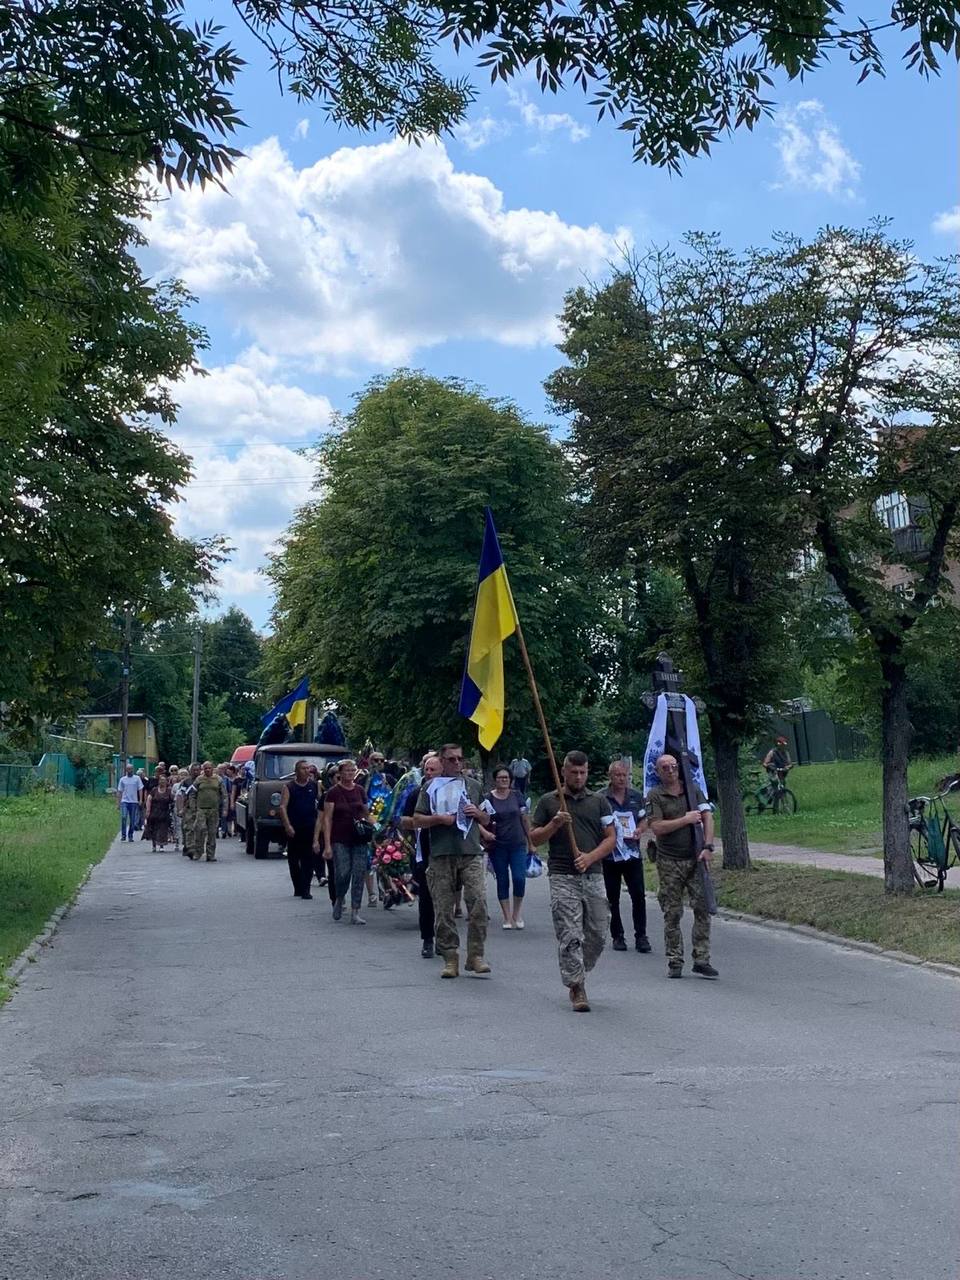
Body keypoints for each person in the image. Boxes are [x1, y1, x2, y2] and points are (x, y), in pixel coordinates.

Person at [530, 751, 617, 1013]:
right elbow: (535, 838)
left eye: (583, 772)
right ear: (564, 772)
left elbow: (611, 838)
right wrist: (555, 824)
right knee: (570, 933)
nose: (578, 777)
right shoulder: (549, 801)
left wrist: (590, 858)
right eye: (573, 772)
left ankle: (579, 967)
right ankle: (577, 986)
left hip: (593, 874)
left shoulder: (599, 801)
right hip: (562, 875)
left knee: (599, 932)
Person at [412, 743, 492, 979]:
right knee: (444, 908)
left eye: (460, 759)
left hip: (470, 852)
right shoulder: (430, 787)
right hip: (441, 852)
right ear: (442, 761)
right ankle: (450, 956)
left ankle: (476, 955)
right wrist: (437, 819)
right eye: (451, 760)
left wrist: (477, 814)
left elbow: (487, 817)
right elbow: (417, 818)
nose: (457, 764)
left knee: (478, 901)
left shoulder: (474, 786)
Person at [647, 753, 718, 979]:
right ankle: (675, 959)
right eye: (665, 768)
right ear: (658, 772)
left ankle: (702, 958)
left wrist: (708, 846)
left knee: (703, 907)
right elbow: (657, 827)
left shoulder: (692, 789)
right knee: (672, 911)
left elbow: (707, 816)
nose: (670, 770)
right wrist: (685, 820)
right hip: (669, 860)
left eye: (674, 766)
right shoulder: (655, 796)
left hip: (695, 857)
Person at [603, 760, 652, 954]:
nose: (622, 779)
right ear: (611, 776)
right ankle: (617, 936)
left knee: (638, 895)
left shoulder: (636, 796)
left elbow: (644, 818)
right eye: (617, 775)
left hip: (632, 853)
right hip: (610, 855)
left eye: (625, 775)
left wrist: (640, 829)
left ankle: (641, 936)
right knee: (612, 897)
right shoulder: (602, 798)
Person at [480, 765, 534, 930]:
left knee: (519, 878)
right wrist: (485, 834)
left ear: (510, 780)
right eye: (500, 778)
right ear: (494, 780)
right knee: (502, 880)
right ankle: (507, 916)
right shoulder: (488, 799)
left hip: (517, 844)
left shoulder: (517, 796)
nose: (503, 780)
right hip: (498, 846)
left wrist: (531, 842)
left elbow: (525, 819)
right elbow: (477, 820)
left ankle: (517, 913)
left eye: (506, 778)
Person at [400, 753, 442, 958]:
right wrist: (422, 822)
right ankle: (428, 939)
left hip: (447, 851)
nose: (429, 773)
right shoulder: (417, 792)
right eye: (427, 769)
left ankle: (444, 936)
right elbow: (404, 820)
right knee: (426, 896)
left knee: (445, 897)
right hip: (424, 851)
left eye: (433, 769)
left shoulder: (449, 792)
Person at [323, 758, 372, 925]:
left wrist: (378, 826)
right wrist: (327, 844)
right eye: (347, 771)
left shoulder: (359, 790)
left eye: (353, 770)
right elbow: (327, 818)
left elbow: (366, 813)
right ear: (340, 773)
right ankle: (339, 897)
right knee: (342, 872)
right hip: (340, 838)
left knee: (359, 873)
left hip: (359, 838)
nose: (350, 773)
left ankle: (355, 911)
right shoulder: (333, 792)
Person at [279, 760, 320, 899]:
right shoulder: (289, 787)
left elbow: (320, 806)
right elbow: (283, 807)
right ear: (296, 771)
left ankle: (306, 889)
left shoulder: (314, 785)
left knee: (308, 859)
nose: (306, 771)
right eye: (303, 768)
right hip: (294, 828)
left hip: (310, 826)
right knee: (294, 859)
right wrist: (287, 825)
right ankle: (297, 886)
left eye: (308, 768)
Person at [193, 761, 222, 862]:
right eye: (205, 768)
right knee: (200, 829)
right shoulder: (199, 780)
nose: (207, 770)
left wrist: (225, 808)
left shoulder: (218, 779)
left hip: (213, 809)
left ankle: (211, 854)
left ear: (212, 768)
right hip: (201, 809)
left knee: (212, 832)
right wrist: (193, 807)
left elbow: (224, 794)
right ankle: (198, 852)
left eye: (209, 768)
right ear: (203, 769)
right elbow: (192, 794)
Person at [143, 775, 175, 851]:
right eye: (161, 780)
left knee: (163, 829)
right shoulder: (154, 790)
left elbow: (172, 800)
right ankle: (154, 845)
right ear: (158, 781)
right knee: (154, 829)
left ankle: (161, 845)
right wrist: (148, 810)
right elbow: (149, 799)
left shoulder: (168, 791)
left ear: (166, 782)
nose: (162, 782)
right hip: (154, 812)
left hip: (164, 813)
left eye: (164, 781)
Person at [178, 763, 201, 858]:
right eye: (194, 770)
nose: (196, 772)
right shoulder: (186, 782)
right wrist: (181, 809)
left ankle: (196, 847)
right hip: (188, 808)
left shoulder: (203, 781)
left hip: (201, 808)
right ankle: (189, 848)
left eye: (197, 770)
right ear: (190, 771)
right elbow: (181, 795)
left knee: (199, 829)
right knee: (189, 828)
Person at [116, 764, 143, 842]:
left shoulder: (137, 778)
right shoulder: (122, 779)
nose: (129, 771)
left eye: (131, 769)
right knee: (124, 817)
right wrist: (118, 803)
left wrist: (140, 799)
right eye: (128, 769)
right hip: (124, 801)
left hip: (133, 801)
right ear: (126, 770)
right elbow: (119, 791)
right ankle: (123, 835)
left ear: (133, 770)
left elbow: (140, 789)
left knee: (132, 819)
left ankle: (130, 835)